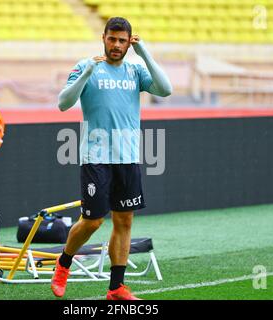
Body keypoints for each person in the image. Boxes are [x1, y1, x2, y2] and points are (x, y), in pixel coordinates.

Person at [53, 17, 172, 300]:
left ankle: (116, 288)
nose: (116, 45)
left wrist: (144, 52)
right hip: (95, 156)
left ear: (128, 42)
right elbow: (63, 103)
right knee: (93, 221)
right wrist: (87, 73)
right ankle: (63, 263)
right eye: (111, 39)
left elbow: (165, 89)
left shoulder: (135, 70)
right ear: (103, 37)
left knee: (124, 222)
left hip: (128, 157)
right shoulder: (86, 65)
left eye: (122, 41)